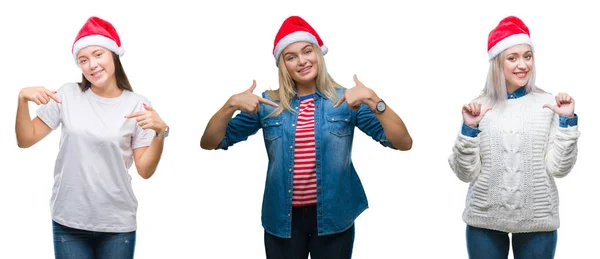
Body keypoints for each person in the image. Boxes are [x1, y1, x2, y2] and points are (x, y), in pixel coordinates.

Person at [200, 16, 412, 258]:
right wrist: (230, 105)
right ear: (283, 65)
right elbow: (210, 142)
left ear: (318, 54)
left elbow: (402, 142)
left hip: (334, 216)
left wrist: (374, 100)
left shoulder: (345, 102)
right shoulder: (269, 105)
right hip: (282, 219)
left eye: (307, 51)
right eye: (291, 57)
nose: (302, 61)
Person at [15, 16, 169, 259]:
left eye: (98, 55)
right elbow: (25, 139)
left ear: (113, 55)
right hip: (69, 219)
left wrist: (161, 133)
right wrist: (22, 99)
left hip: (117, 225)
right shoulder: (67, 95)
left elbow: (145, 170)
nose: (92, 65)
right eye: (83, 60)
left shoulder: (138, 104)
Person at [448, 16, 580, 259]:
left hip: (537, 221)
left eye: (527, 56)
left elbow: (559, 169)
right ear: (497, 63)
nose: (523, 65)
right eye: (513, 58)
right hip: (484, 220)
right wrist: (469, 130)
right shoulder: (478, 107)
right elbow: (466, 173)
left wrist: (567, 123)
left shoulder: (549, 105)